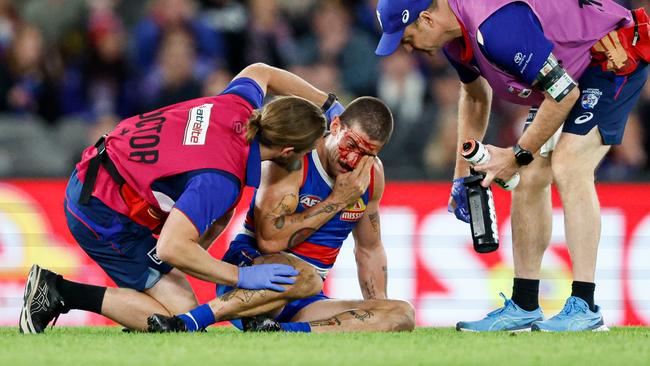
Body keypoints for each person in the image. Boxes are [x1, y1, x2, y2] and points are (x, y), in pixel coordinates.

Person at [374, 0, 649, 331]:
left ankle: (586, 307)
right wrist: (461, 177)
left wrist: (516, 154)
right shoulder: (455, 35)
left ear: (427, 19)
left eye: (406, 38)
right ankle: (525, 305)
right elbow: (476, 97)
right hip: (567, 71)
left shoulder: (494, 27)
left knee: (569, 162)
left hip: (611, 50)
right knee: (530, 176)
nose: (409, 49)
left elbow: (562, 94)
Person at [18, 62, 344, 333]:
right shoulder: (221, 178)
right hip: (100, 211)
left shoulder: (239, 106)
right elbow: (171, 247)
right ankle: (56, 292)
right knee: (181, 315)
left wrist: (326, 103)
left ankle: (148, 288)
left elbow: (261, 71)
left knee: (216, 220)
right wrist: (241, 276)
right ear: (287, 151)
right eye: (305, 152)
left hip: (102, 174)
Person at [146, 97, 416, 333]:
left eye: (368, 153)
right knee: (306, 276)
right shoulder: (296, 159)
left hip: (305, 296)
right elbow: (270, 241)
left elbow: (369, 248)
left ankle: (282, 331)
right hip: (253, 275)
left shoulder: (371, 175)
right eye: (352, 145)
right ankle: (192, 321)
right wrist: (337, 200)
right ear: (335, 126)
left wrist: (378, 304)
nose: (354, 160)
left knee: (401, 313)